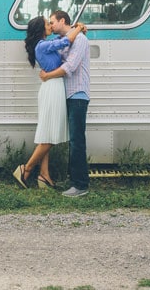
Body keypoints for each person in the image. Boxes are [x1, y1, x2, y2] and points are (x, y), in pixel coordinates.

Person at [12, 16, 86, 189]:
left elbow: (62, 39)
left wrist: (77, 26)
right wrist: (80, 27)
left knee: (47, 133)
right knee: (50, 136)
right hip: (52, 88)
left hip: (52, 86)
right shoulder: (43, 45)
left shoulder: (43, 44)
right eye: (47, 24)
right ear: (40, 28)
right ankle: (26, 168)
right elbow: (66, 40)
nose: (50, 26)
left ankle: (44, 176)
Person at [40, 10, 91, 197]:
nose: (51, 26)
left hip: (78, 94)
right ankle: (74, 181)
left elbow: (69, 67)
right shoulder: (68, 41)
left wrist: (47, 76)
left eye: (52, 22)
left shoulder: (80, 41)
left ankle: (80, 185)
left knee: (77, 140)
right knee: (73, 140)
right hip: (69, 95)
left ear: (63, 21)